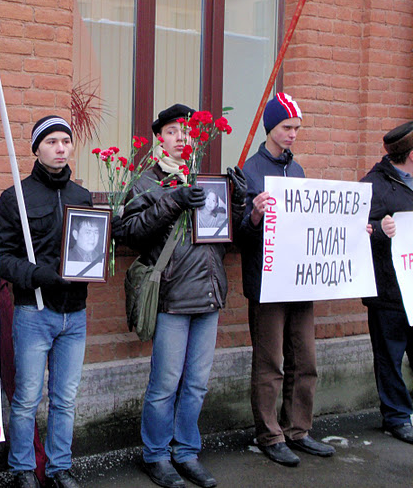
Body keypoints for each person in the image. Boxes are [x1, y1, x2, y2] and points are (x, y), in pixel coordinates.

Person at [120, 104, 247, 488]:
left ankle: (186, 450)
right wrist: (173, 200)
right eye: (173, 131)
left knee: (197, 383)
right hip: (173, 297)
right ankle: (156, 455)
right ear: (159, 137)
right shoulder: (145, 182)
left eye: (187, 132)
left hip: (208, 294)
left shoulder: (205, 181)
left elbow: (230, 238)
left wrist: (236, 202)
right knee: (165, 383)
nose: (181, 138)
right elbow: (128, 233)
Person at [0, 116, 92, 488]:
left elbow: (93, 249)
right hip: (33, 311)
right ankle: (22, 469)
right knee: (27, 399)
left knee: (65, 398)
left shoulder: (83, 198)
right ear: (36, 148)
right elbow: (0, 256)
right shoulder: (15, 196)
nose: (60, 147)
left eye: (65, 140)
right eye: (51, 141)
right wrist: (36, 274)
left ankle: (59, 467)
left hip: (75, 313)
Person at [236, 92, 335, 466]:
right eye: (286, 127)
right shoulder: (250, 171)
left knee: (305, 359)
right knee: (270, 362)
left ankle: (298, 429)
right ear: (270, 128)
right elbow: (240, 235)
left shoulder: (297, 171)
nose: (292, 134)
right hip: (266, 283)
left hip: (299, 280)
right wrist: (255, 215)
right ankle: (269, 434)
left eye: (296, 128)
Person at [360, 121, 413, 445]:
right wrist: (380, 228)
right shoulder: (374, 185)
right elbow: (355, 228)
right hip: (389, 291)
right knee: (390, 356)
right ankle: (395, 416)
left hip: (412, 290)